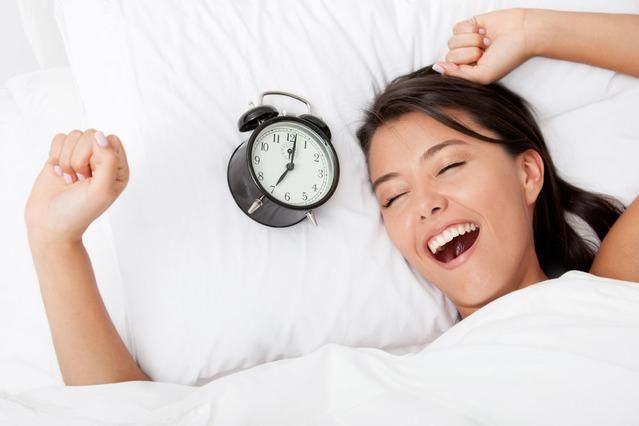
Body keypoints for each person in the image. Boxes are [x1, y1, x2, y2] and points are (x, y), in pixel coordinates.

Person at [23, 8, 639, 386]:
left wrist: (536, 30)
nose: (425, 204)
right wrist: (55, 242)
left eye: (449, 166)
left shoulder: (611, 292)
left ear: (528, 174)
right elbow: (120, 415)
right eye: (393, 197)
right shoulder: (389, 377)